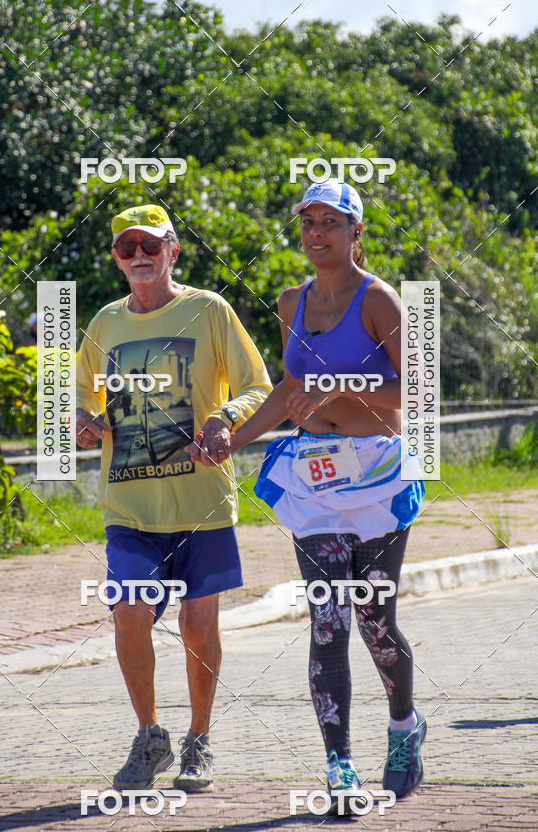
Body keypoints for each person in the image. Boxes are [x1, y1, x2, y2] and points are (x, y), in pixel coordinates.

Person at [190, 180, 426, 815]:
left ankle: (404, 728)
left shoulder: (382, 301)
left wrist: (338, 383)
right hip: (315, 477)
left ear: (356, 233)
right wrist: (232, 440)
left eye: (331, 221)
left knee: (376, 620)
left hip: (376, 473)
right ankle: (339, 763)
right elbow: (288, 390)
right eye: (308, 222)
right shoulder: (291, 302)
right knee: (327, 618)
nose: (317, 232)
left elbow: (420, 399)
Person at [75, 204, 271, 793]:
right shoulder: (103, 324)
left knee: (196, 624)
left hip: (202, 503)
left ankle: (200, 739)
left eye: (150, 246)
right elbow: (73, 393)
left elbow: (260, 384)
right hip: (129, 506)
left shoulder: (209, 310)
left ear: (173, 251)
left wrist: (225, 419)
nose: (138, 255)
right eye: (126, 247)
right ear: (116, 258)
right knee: (129, 613)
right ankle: (149, 735)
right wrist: (81, 417)